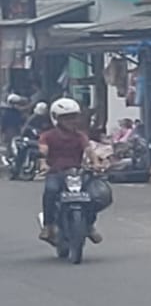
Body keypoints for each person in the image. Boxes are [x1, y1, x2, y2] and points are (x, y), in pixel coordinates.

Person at [38, 98, 102, 245]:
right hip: (56, 173)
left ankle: (89, 225)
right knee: (51, 191)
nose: (71, 121)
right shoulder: (47, 136)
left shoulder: (80, 136)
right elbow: (43, 151)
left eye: (73, 117)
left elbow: (89, 150)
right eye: (66, 118)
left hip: (77, 173)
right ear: (56, 119)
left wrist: (96, 163)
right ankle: (48, 226)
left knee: (93, 196)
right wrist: (43, 163)